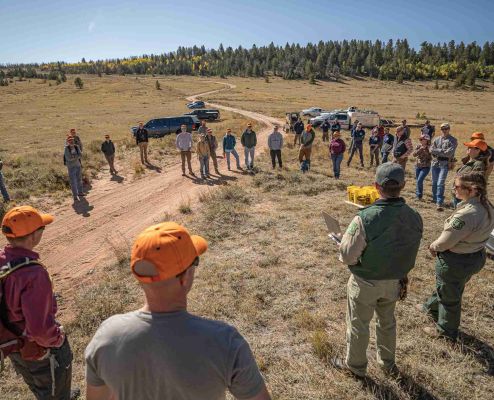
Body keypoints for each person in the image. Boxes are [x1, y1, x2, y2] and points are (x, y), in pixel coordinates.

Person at [84, 222, 271, 400]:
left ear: (140, 277)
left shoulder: (106, 336)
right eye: (194, 264)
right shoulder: (225, 342)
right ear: (185, 278)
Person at [333, 163, 423, 378]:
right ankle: (388, 363)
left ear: (376, 186)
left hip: (366, 281)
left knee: (358, 324)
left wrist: (342, 244)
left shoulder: (364, 217)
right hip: (396, 281)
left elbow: (347, 256)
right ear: (403, 185)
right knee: (387, 322)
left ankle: (355, 366)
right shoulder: (415, 216)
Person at [1, 206, 77, 400]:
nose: (43, 231)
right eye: (41, 228)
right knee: (53, 389)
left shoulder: (3, 260)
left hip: (13, 343)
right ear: (33, 236)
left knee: (38, 385)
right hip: (37, 349)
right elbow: (40, 330)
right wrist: (58, 339)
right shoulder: (33, 274)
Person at [421, 172, 494, 341]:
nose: (453, 189)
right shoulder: (487, 206)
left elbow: (446, 241)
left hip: (456, 260)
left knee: (450, 296)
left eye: (458, 186)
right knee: (449, 286)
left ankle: (445, 331)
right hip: (475, 256)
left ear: (473, 189)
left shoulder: (467, 214)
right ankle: (430, 307)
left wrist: (433, 247)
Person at [452, 139, 488, 207]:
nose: (468, 148)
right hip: (460, 193)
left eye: (471, 147)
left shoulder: (478, 164)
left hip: (465, 195)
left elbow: (475, 182)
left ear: (478, 150)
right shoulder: (469, 161)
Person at [430, 123, 458, 211]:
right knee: (434, 182)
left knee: (440, 183)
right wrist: (441, 151)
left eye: (446, 129)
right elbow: (431, 150)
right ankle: (435, 199)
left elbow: (449, 153)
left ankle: (439, 202)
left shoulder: (453, 140)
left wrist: (437, 151)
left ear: (449, 129)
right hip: (435, 163)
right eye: (442, 129)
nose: (444, 130)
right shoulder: (436, 139)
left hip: (444, 163)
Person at [64, 136, 84, 202]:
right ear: (68, 142)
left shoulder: (76, 146)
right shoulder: (66, 149)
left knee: (79, 179)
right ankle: (75, 196)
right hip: (71, 167)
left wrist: (74, 156)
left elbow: (81, 155)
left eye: (72, 140)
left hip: (78, 165)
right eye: (70, 141)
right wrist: (76, 156)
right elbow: (68, 158)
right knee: (73, 182)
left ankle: (80, 193)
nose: (71, 142)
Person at [413, 134, 432, 200]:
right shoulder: (418, 146)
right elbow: (414, 155)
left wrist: (426, 150)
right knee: (418, 181)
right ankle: (418, 195)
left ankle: (419, 195)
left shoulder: (430, 147)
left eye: (422, 139)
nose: (421, 141)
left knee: (419, 180)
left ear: (427, 140)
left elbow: (431, 157)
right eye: (420, 139)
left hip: (426, 166)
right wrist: (420, 149)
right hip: (418, 166)